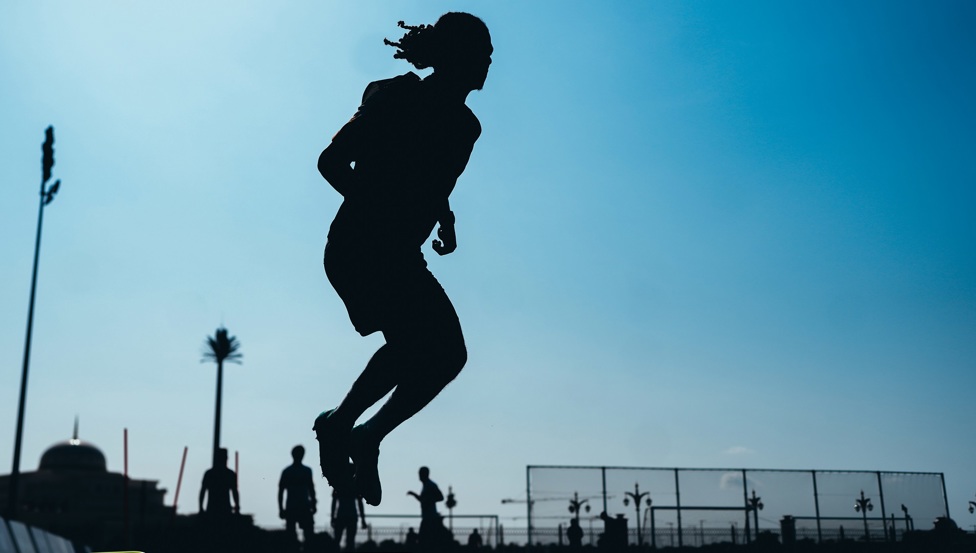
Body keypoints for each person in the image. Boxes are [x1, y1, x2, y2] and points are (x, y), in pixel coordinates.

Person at [313, 11, 493, 507]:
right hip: (359, 246)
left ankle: (357, 431)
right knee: (424, 342)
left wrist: (446, 219)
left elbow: (431, 181)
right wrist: (375, 209)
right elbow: (331, 163)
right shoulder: (395, 96)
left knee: (444, 354)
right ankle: (344, 427)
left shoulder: (465, 127)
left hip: (398, 253)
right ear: (459, 56)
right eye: (483, 53)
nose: (490, 63)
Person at [278, 445, 317, 545]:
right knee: (302, 535)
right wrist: (313, 504)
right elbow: (311, 489)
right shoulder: (306, 471)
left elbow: (281, 492)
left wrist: (281, 509)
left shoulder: (288, 471)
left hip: (295, 505)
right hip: (300, 505)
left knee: (298, 535)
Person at [331, 462, 368, 551]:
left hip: (342, 515)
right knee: (349, 542)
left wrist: (333, 517)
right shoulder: (355, 485)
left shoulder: (339, 484)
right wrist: (363, 519)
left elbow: (334, 501)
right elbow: (360, 503)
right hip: (351, 515)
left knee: (338, 541)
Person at [408, 466, 447, 548]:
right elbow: (422, 500)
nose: (419, 475)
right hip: (427, 517)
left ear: (425, 474)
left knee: (425, 541)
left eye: (420, 474)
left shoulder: (431, 485)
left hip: (430, 518)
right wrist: (413, 494)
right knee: (424, 541)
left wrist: (429, 499)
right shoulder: (426, 485)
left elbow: (440, 497)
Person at [199, 448, 240, 516]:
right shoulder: (210, 474)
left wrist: (237, 506)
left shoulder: (229, 474)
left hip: (224, 509)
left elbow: (234, 491)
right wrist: (200, 507)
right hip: (212, 509)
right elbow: (203, 491)